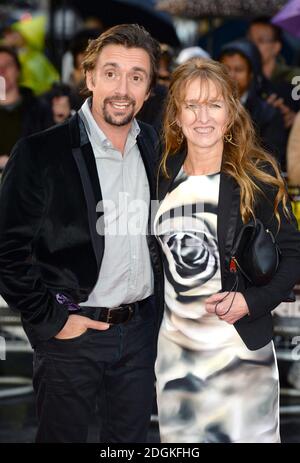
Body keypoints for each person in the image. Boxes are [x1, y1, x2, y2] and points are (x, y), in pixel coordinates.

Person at [0, 24, 163, 443]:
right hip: (72, 334)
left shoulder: (156, 148)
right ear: (89, 77)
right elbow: (6, 248)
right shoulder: (40, 152)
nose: (122, 88)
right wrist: (52, 319)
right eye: (111, 73)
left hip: (140, 334)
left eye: (136, 76)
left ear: (148, 88)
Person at [154, 57, 300, 443]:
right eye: (192, 105)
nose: (203, 117)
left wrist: (252, 302)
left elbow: (294, 256)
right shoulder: (161, 174)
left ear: (231, 112)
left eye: (215, 104)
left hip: (240, 357)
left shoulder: (258, 178)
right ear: (176, 115)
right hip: (175, 359)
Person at [219, 39, 287, 169]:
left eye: (238, 70)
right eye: (225, 69)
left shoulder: (269, 114)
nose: (231, 75)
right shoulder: (206, 108)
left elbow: (271, 160)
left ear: (251, 74)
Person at [0, 45, 53, 171]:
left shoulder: (41, 109)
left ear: (18, 70)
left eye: (7, 65)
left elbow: (51, 152)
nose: (1, 71)